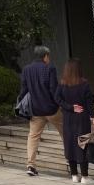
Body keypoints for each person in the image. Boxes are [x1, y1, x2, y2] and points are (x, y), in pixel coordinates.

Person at [19, 44, 62, 177]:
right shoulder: (50, 68)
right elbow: (53, 89)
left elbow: (24, 89)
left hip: (35, 110)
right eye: (49, 56)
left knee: (33, 136)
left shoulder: (27, 69)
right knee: (65, 133)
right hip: (52, 109)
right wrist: (61, 103)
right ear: (46, 56)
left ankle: (31, 165)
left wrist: (20, 103)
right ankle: (72, 160)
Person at [55, 58, 94, 184]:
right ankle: (85, 176)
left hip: (68, 120)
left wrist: (70, 107)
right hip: (82, 120)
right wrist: (93, 118)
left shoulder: (62, 84)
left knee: (70, 145)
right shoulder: (84, 84)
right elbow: (89, 103)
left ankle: (74, 175)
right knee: (82, 145)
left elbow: (57, 98)